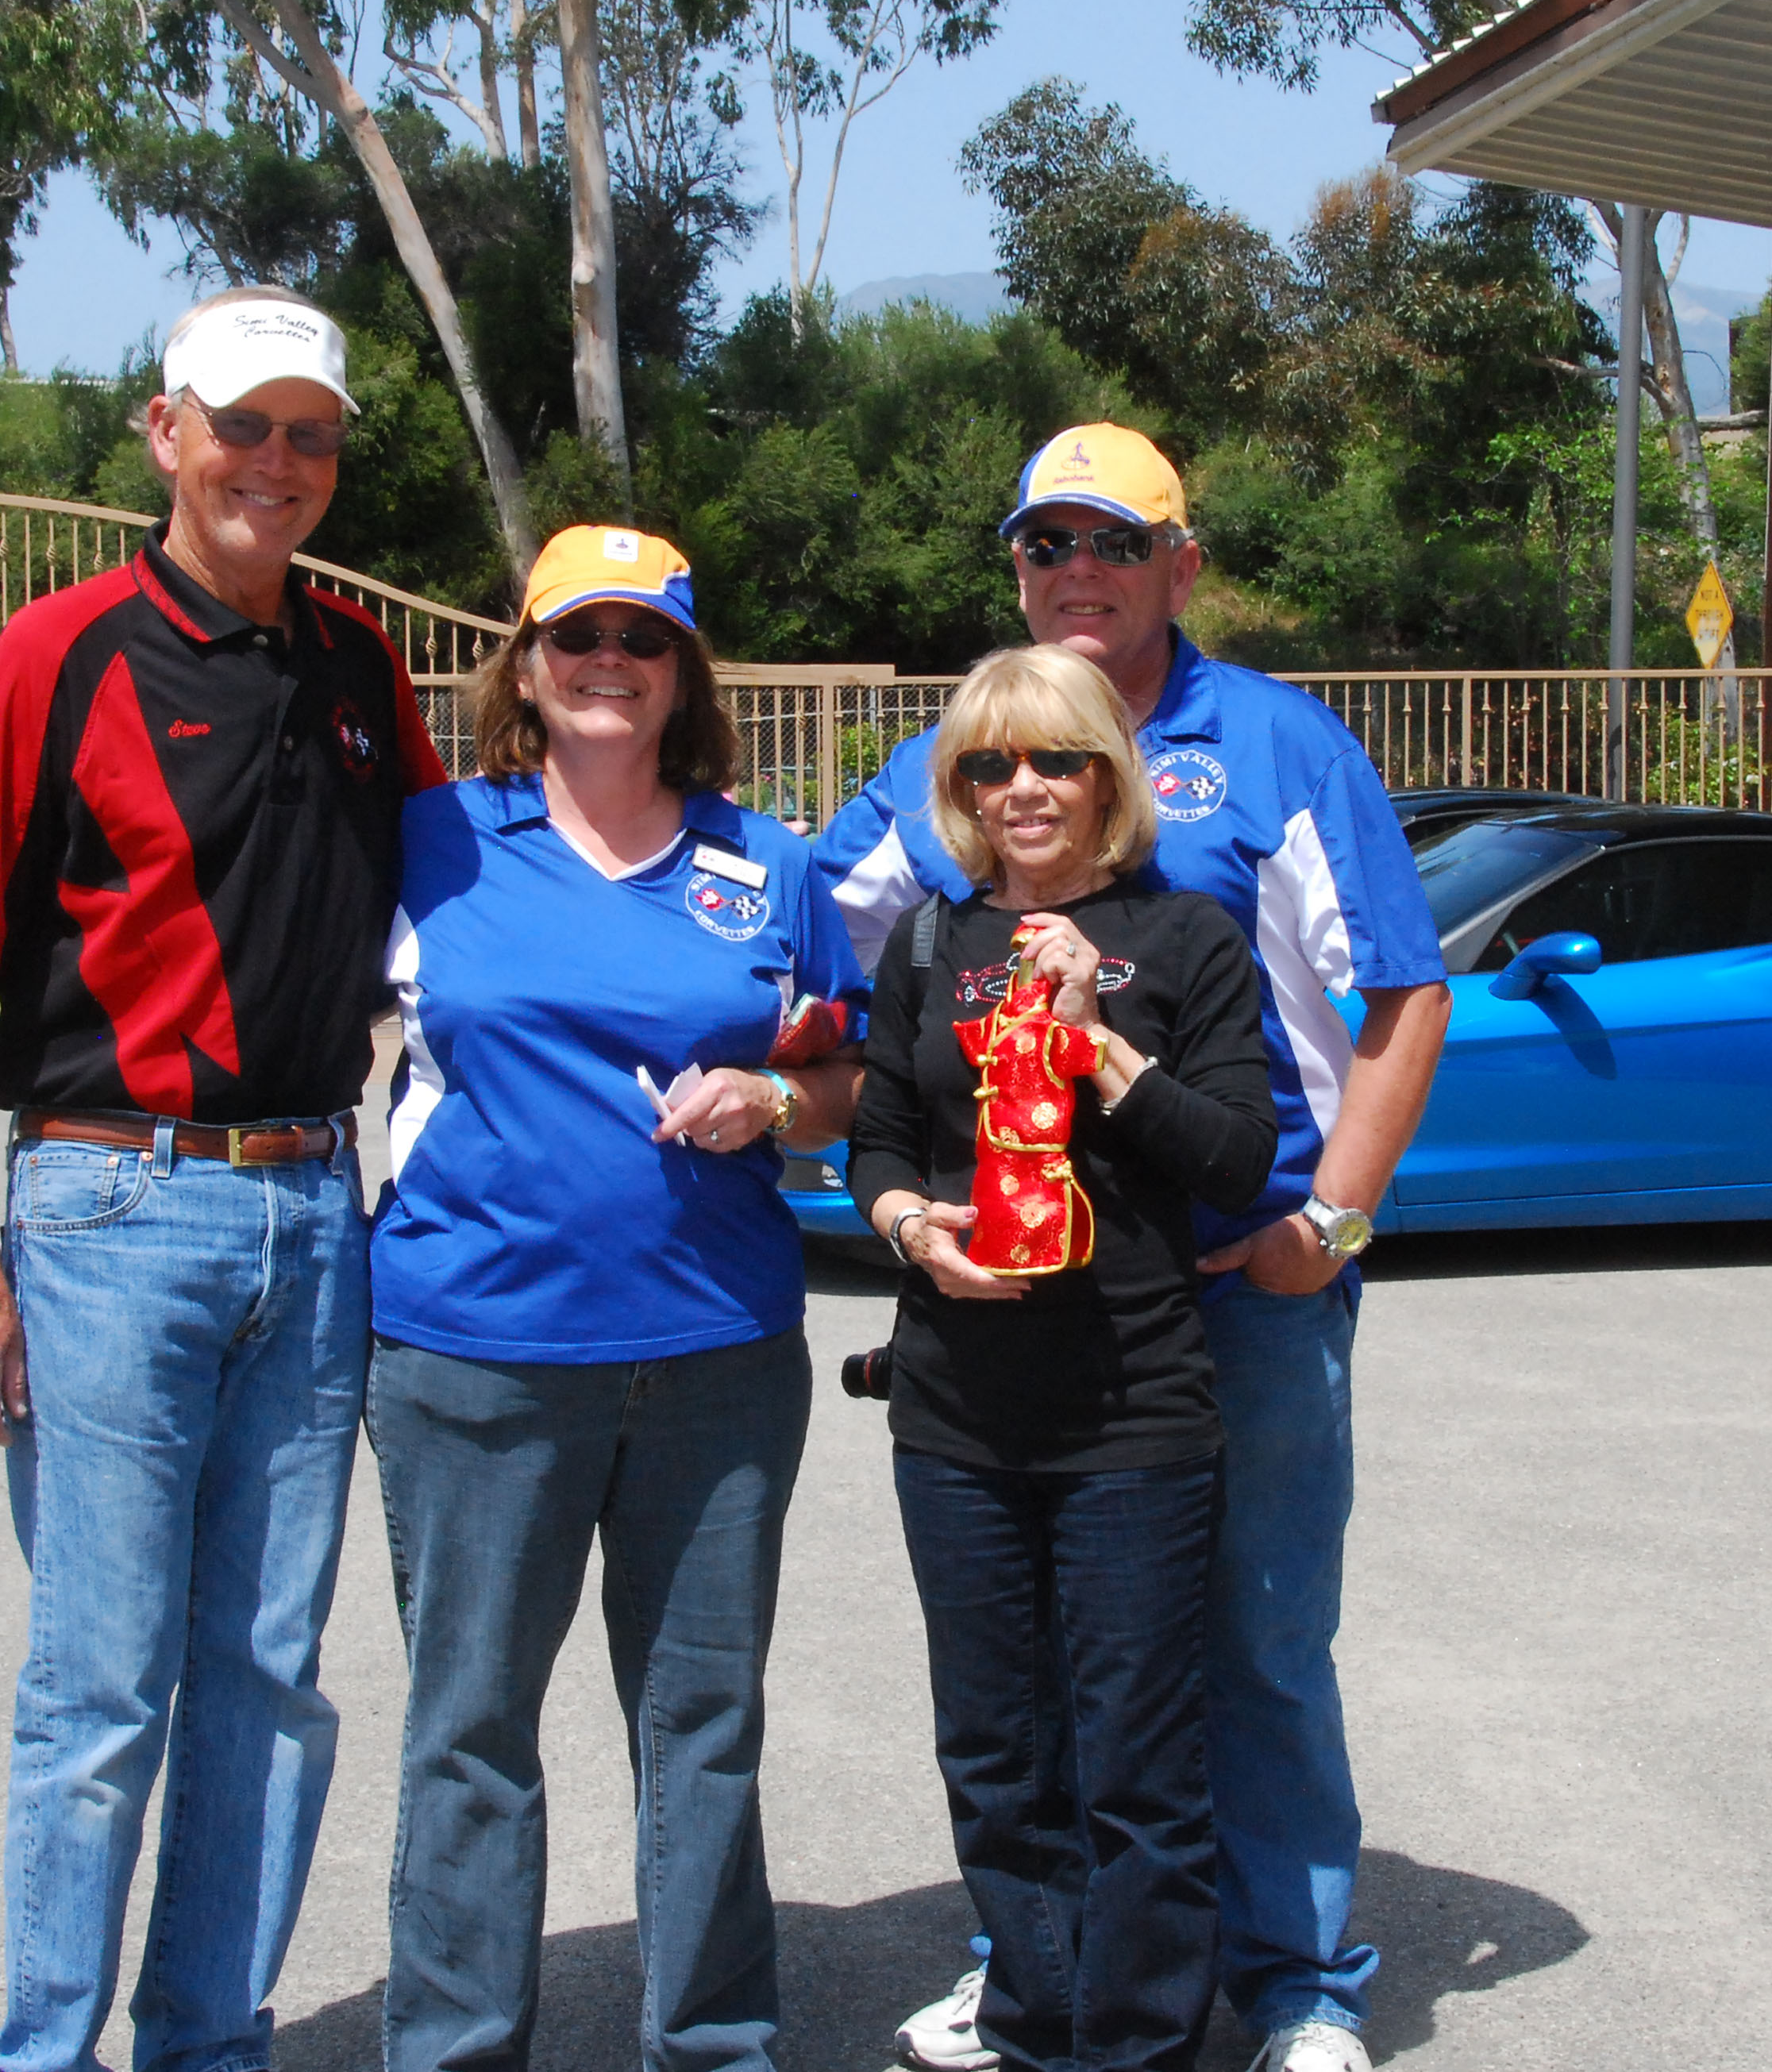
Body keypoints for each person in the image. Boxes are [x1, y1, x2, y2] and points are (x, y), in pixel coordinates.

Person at [821, 426, 1451, 2072]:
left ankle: (1299, 1979)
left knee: (1248, 1644)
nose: (1076, 573)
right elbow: (826, 959)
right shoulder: (949, 755)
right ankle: (1039, 1971)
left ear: (1181, 565)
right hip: (1011, 1311)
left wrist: (1336, 1216)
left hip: (1243, 1284)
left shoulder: (1280, 744)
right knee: (1029, 1678)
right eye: (1046, 547)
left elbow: (1407, 987)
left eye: (1114, 542)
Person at [0, 284, 445, 2072]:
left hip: (315, 1206)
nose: (274, 464)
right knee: (100, 1695)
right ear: (164, 433)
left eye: (309, 433)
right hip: (110, 1209)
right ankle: (44, 2050)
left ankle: (209, 2044)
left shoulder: (364, 671)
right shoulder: (56, 656)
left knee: (273, 1694)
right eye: (240, 426)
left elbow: (475, 925)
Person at [368, 525, 869, 2072]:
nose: (606, 665)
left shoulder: (766, 866)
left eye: (640, 643)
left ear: (682, 677)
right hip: (477, 1358)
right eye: (574, 637)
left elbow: (842, 1076)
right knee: (469, 1736)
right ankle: (455, 2047)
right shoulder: (436, 841)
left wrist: (773, 1107)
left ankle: (712, 2043)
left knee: (703, 1728)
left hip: (716, 1362)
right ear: (524, 665)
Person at [851, 643, 1279, 2072]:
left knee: (1141, 1773)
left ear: (1110, 775)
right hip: (956, 1415)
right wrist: (914, 1227)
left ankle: (1138, 2045)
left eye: (1055, 760)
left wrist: (1101, 1046)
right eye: (989, 765)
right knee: (996, 1760)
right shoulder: (930, 941)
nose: (1022, 789)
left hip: (1132, 1411)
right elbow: (879, 1142)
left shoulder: (1190, 939)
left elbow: (1237, 1158)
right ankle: (1041, 2025)